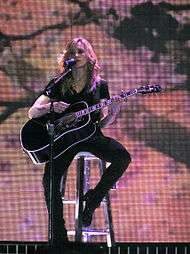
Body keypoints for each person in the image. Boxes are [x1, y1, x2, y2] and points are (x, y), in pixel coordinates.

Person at [28, 37, 131, 246]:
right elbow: (32, 112)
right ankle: (59, 236)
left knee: (122, 157)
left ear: (89, 55)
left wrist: (114, 112)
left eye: (81, 52)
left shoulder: (100, 85)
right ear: (67, 57)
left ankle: (92, 199)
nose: (76, 56)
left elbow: (102, 123)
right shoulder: (59, 82)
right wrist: (49, 107)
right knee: (49, 181)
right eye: (72, 52)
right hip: (64, 141)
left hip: (90, 137)